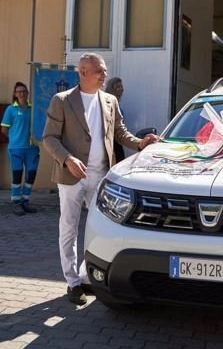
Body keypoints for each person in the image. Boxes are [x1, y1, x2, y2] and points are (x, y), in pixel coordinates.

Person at [42, 53, 158, 306]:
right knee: (69, 228)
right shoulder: (62, 100)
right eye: (99, 71)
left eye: (105, 71)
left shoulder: (110, 101)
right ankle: (72, 282)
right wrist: (68, 159)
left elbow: (119, 132)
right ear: (83, 72)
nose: (104, 75)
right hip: (71, 175)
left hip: (102, 176)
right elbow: (49, 138)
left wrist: (140, 143)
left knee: (100, 229)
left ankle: (89, 276)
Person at [1, 82, 40, 216]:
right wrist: (16, 138)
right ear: (15, 94)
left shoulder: (34, 108)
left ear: (28, 93)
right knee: (17, 176)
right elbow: (4, 130)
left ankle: (25, 201)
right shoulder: (11, 109)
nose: (22, 94)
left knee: (31, 176)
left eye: (24, 91)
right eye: (19, 92)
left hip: (32, 148)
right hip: (16, 149)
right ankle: (16, 203)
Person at [105, 77, 125, 163]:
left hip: (117, 137)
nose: (121, 89)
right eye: (118, 87)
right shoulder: (107, 101)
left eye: (121, 86)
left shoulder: (117, 101)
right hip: (111, 139)